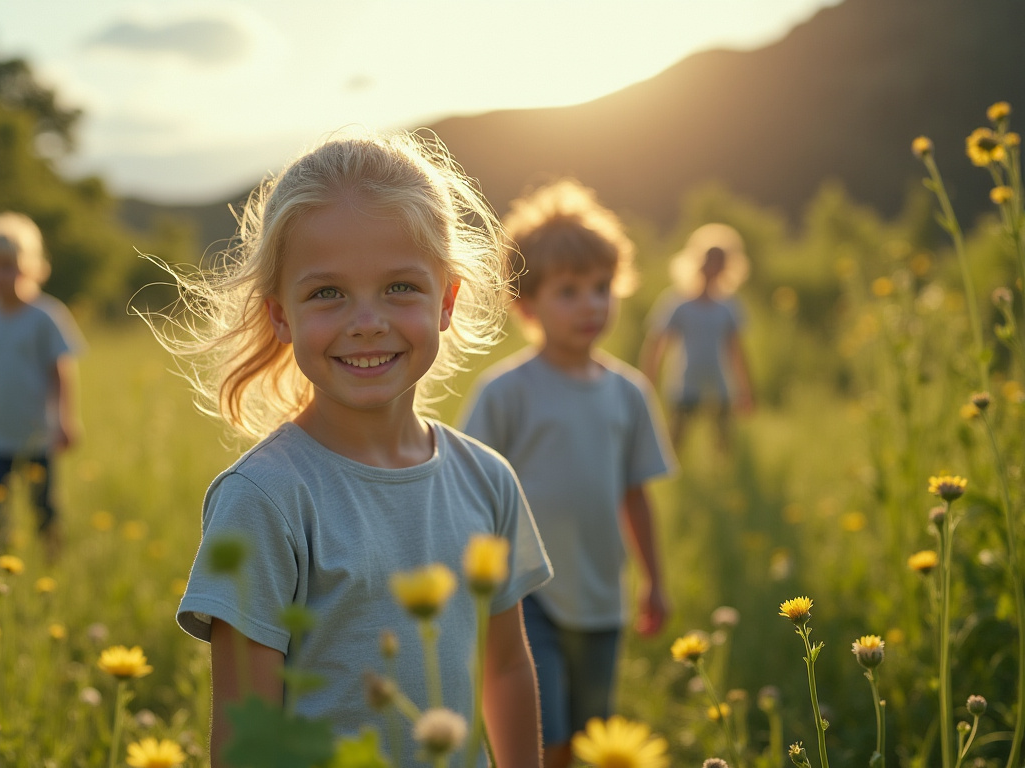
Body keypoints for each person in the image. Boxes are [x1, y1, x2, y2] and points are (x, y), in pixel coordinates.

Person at [161, 132, 553, 767]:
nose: (366, 320)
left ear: (447, 300)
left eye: (400, 286)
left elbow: (505, 668)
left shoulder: (489, 481)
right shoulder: (264, 499)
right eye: (327, 293)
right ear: (280, 315)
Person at [459, 180, 674, 768]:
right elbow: (466, 494)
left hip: (603, 592)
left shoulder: (629, 394)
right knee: (542, 735)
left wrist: (654, 579)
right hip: (525, 595)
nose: (591, 305)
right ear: (527, 306)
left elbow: (636, 494)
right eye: (569, 291)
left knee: (590, 736)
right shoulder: (505, 392)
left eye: (602, 289)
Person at [0, 212, 84, 561]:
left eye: (8, 265)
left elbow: (60, 372)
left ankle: (51, 558)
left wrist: (64, 421)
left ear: (30, 266)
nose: (0, 274)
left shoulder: (45, 315)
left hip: (37, 434)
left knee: (43, 504)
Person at [640, 222, 754, 452]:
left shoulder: (729, 307)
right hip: (684, 383)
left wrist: (745, 390)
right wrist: (647, 383)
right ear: (696, 261)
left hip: (720, 383)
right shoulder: (678, 303)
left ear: (727, 267)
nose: (712, 266)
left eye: (718, 261)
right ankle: (675, 482)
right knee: (676, 441)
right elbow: (657, 344)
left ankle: (721, 482)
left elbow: (736, 350)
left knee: (723, 443)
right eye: (708, 259)